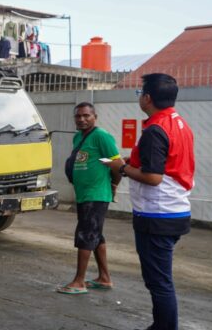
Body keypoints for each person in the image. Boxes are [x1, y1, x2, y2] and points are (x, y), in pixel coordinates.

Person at [104, 74, 194, 330]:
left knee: (159, 282)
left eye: (140, 93)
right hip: (173, 211)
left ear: (147, 98)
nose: (139, 97)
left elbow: (153, 177)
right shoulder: (178, 123)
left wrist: (120, 168)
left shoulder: (156, 129)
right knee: (160, 279)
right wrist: (129, 163)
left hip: (157, 215)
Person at [57, 102, 122, 295]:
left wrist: (113, 185)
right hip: (85, 194)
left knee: (85, 235)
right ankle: (104, 278)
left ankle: (79, 281)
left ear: (95, 117)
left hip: (97, 194)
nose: (82, 119)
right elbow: (100, 159)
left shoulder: (101, 136)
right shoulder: (79, 137)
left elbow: (116, 163)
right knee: (95, 235)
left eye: (86, 116)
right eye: (78, 116)